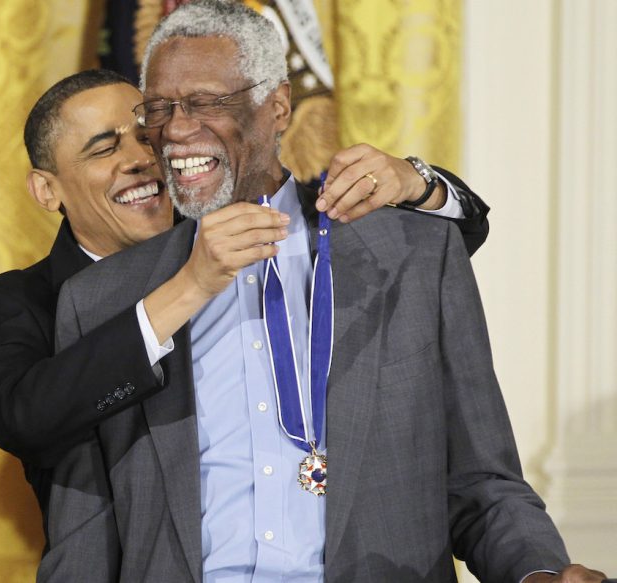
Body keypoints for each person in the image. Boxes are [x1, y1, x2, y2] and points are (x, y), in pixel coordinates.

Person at [46, 2, 608, 582]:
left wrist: (537, 572)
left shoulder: (410, 258)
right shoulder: (104, 303)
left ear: (277, 106)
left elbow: (481, 484)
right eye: (160, 108)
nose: (177, 129)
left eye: (207, 102)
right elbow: (83, 536)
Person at [0, 68, 488, 557]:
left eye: (147, 137)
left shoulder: (234, 227)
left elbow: (438, 243)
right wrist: (189, 287)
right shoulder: (17, 302)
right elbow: (24, 419)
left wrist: (419, 182)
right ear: (46, 189)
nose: (140, 159)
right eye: (104, 148)